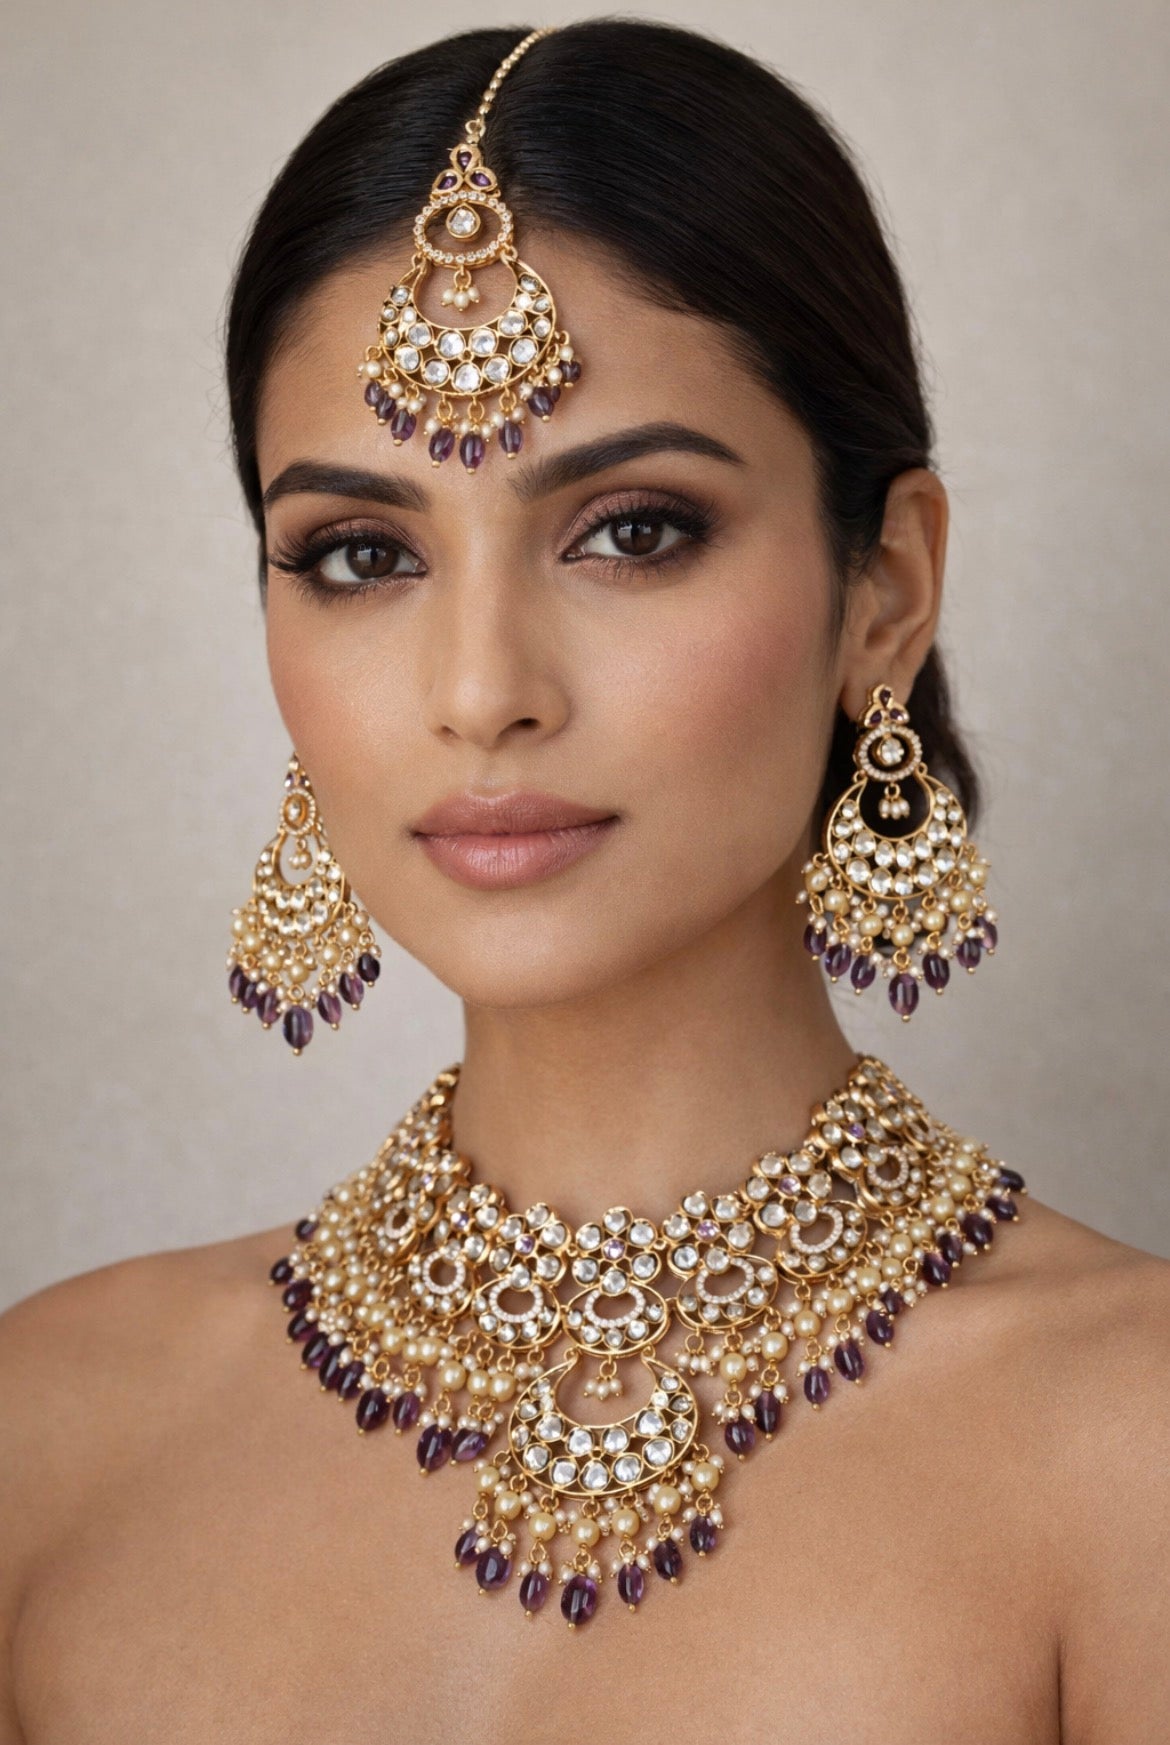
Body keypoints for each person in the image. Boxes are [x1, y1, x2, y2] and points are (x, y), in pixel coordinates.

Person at [1, 18, 1166, 1742]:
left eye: (630, 527)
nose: (481, 688)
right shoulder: (53, 1424)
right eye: (361, 553)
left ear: (886, 590)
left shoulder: (1126, 1447)